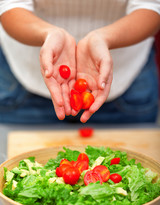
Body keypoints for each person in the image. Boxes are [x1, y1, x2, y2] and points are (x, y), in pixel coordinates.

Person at [0, 0, 160, 124]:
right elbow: (10, 5)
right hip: (23, 80)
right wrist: (48, 34)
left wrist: (104, 38)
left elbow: (151, 6)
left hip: (126, 79)